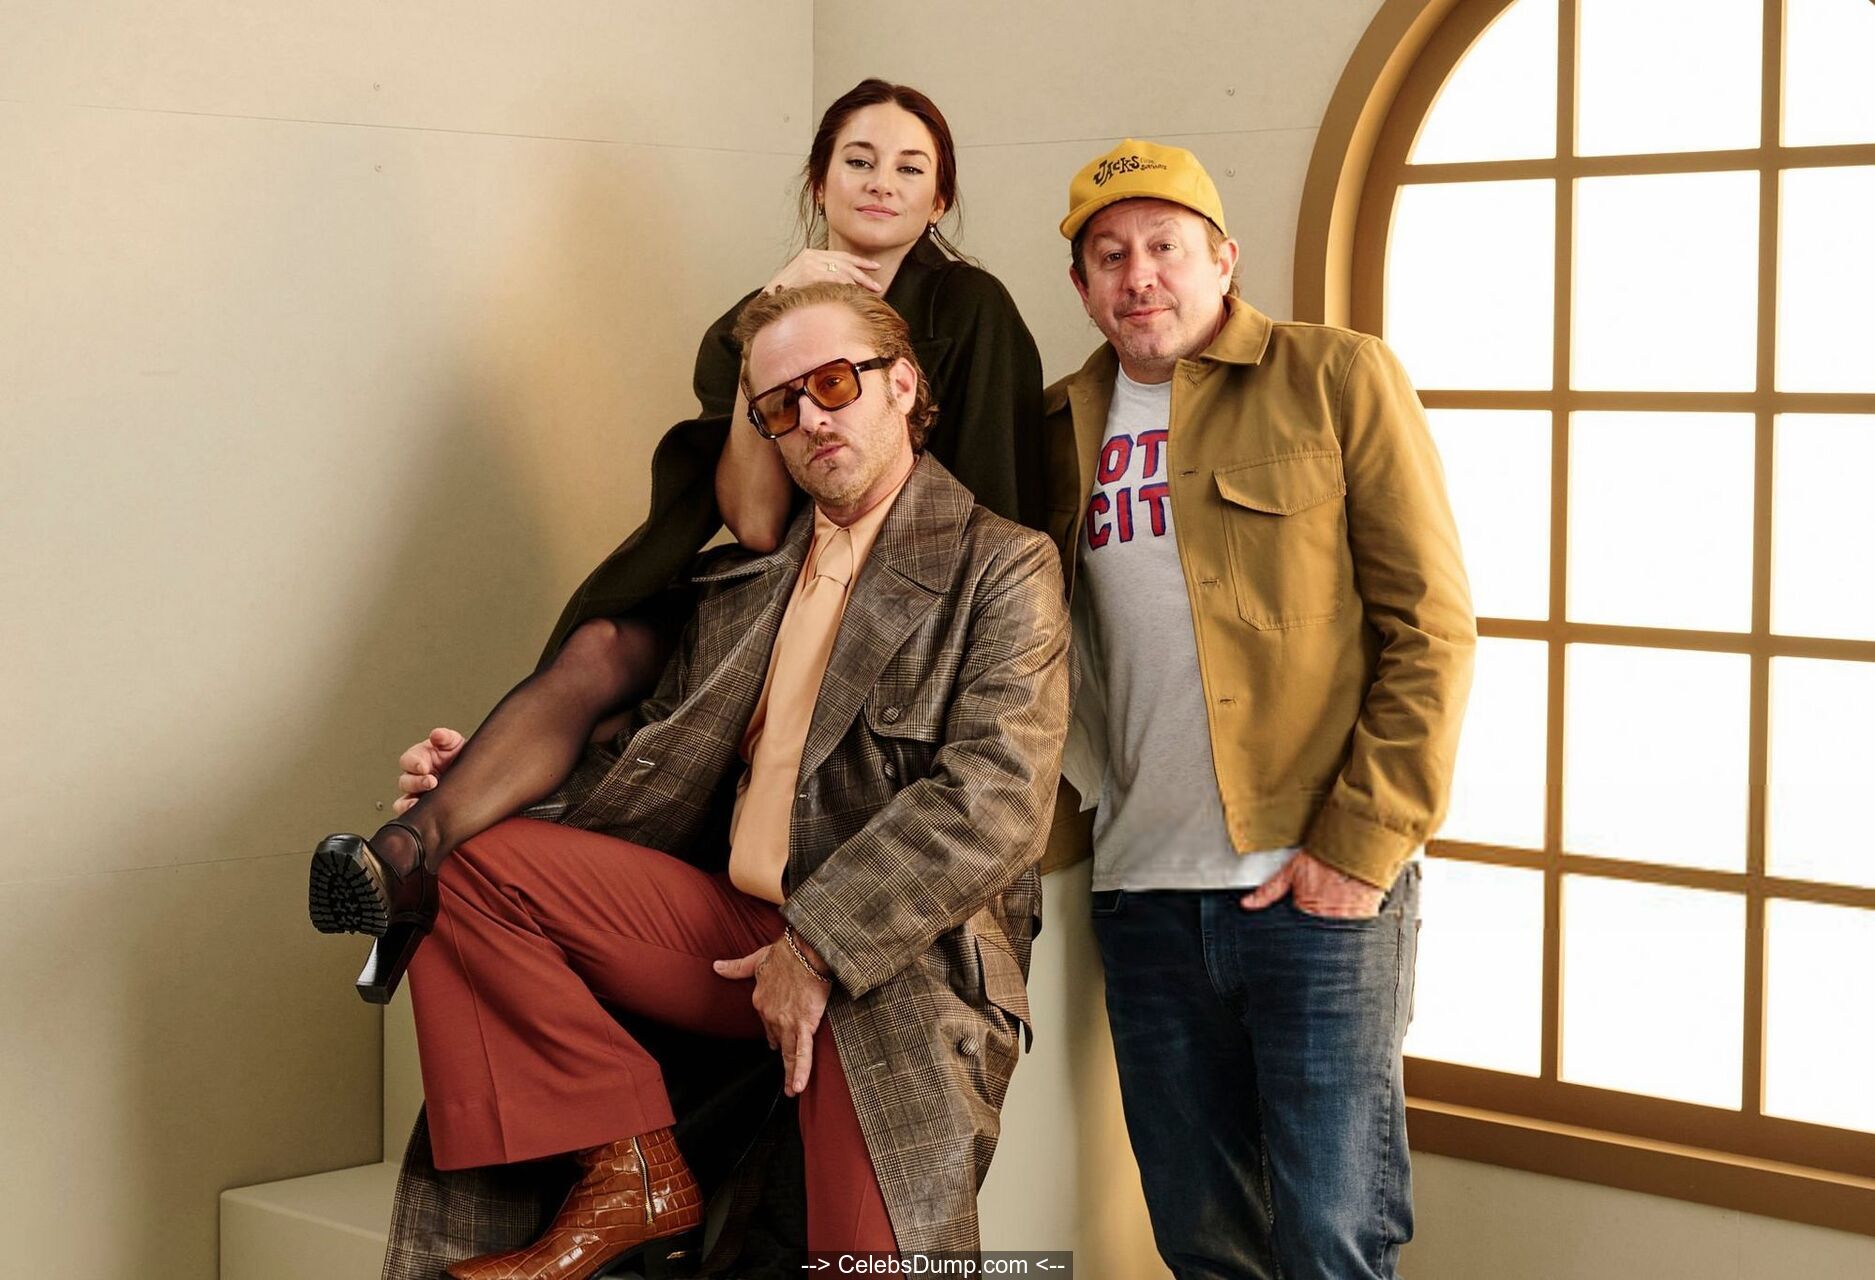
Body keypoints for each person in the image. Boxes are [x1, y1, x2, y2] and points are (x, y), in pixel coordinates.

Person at [369, 282, 1067, 1280]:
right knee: (466, 861)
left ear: (903, 386)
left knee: (870, 1265)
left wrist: (817, 945)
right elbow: (648, 754)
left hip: (894, 962)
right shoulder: (749, 576)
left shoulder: (1002, 566)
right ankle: (631, 1170)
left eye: (834, 383)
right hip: (731, 935)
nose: (809, 418)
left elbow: (994, 801)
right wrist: (472, 781)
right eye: (780, 404)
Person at [307, 78, 1044, 1002]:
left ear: (939, 200)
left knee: (645, 721)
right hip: (776, 571)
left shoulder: (971, 308)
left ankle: (482, 843)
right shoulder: (752, 319)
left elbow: (988, 512)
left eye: (910, 168)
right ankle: (406, 852)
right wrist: (761, 337)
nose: (880, 183)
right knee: (601, 645)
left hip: (892, 594)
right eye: (858, 161)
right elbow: (756, 521)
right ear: (819, 183)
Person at [1037, 139, 1475, 1280]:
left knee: (1332, 1238)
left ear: (1223, 259)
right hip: (1141, 897)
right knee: (1203, 1243)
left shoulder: (1335, 377)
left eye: (1165, 246)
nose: (1140, 274)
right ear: (1081, 286)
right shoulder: (1058, 425)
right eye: (1109, 255)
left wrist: (1359, 852)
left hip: (1315, 890)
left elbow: (1432, 630)